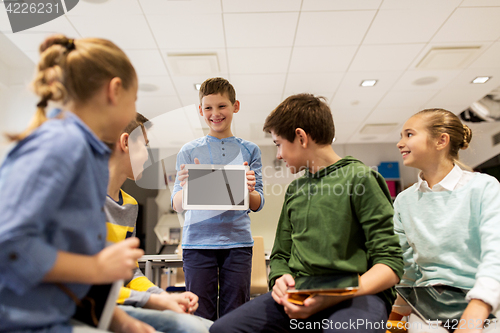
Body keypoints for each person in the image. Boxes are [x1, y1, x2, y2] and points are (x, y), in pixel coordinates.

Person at [209, 93, 404, 333]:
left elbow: (390, 264)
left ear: (300, 137)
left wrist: (335, 295)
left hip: (358, 295)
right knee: (223, 329)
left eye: (278, 144)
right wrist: (279, 280)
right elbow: (280, 256)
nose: (278, 154)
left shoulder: (361, 178)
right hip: (302, 292)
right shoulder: (295, 189)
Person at [0, 35, 155, 333]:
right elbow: (10, 244)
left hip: (55, 316)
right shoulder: (62, 144)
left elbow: (65, 267)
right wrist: (96, 268)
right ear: (115, 90)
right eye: (133, 100)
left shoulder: (86, 153)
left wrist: (121, 322)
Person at [393, 108, 500, 333]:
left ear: (441, 140)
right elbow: (407, 267)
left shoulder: (484, 187)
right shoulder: (404, 201)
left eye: (409, 134)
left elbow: (496, 253)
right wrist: (396, 314)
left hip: (484, 300)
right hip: (428, 307)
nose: (400, 143)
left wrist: (479, 307)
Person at [105, 112, 212, 333]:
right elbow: (91, 283)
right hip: (103, 305)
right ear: (125, 142)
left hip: (123, 300)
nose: (148, 156)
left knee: (210, 326)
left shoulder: (130, 205)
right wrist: (157, 302)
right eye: (145, 146)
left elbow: (130, 273)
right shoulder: (84, 201)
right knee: (193, 329)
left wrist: (165, 296)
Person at [170, 77, 265, 320]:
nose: (215, 114)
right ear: (200, 110)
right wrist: (187, 186)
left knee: (236, 315)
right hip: (197, 244)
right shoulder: (188, 151)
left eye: (222, 106)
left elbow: (258, 202)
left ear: (236, 106)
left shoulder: (250, 150)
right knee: (200, 316)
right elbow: (176, 204)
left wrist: (249, 189)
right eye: (208, 108)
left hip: (238, 244)